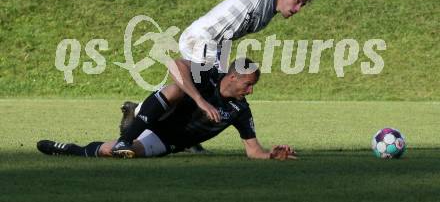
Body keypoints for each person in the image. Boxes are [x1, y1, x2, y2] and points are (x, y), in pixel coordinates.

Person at [111, 0, 312, 154]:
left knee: (203, 86)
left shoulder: (266, 17)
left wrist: (223, 66)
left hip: (214, 44)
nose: (297, 9)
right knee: (204, 88)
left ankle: (160, 121)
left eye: (302, 6)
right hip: (202, 37)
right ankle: (142, 116)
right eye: (297, 1)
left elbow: (230, 35)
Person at [37, 59, 297, 161]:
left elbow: (253, 150)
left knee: (115, 152)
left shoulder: (240, 110)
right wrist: (199, 99)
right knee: (177, 87)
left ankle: (69, 148)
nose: (250, 91)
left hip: (167, 139)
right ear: (231, 77)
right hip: (160, 113)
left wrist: (271, 155)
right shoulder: (207, 75)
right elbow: (176, 63)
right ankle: (128, 133)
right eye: (248, 85)